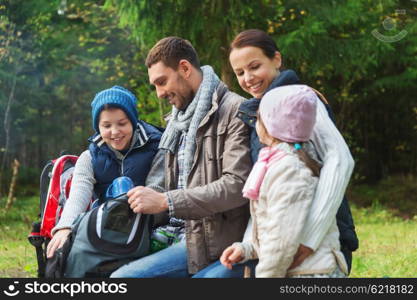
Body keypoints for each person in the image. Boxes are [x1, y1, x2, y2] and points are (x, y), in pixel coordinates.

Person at [110, 37, 253, 278]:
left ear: (185, 68)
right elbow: (165, 185)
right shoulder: (177, 124)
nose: (159, 94)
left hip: (224, 243)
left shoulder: (235, 111)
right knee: (119, 278)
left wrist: (167, 201)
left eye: (162, 82)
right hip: (184, 237)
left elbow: (236, 186)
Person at [228, 29, 358, 272]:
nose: (248, 78)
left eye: (255, 66)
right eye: (240, 72)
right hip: (282, 249)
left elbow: (340, 160)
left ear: (276, 59)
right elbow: (265, 197)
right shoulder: (261, 113)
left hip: (320, 252)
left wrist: (310, 238)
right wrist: (248, 244)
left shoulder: (300, 101)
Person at [220, 85, 348, 277]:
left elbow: (282, 240)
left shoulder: (289, 170)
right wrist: (247, 248)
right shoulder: (278, 163)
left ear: (271, 126)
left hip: (311, 273)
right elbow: (272, 223)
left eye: (259, 118)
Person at [46, 85, 162, 259]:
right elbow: (79, 194)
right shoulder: (89, 157)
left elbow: (157, 190)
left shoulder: (157, 147)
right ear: (97, 127)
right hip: (106, 227)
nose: (115, 132)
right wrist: (65, 226)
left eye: (122, 123)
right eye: (106, 125)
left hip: (148, 224)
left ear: (133, 121)